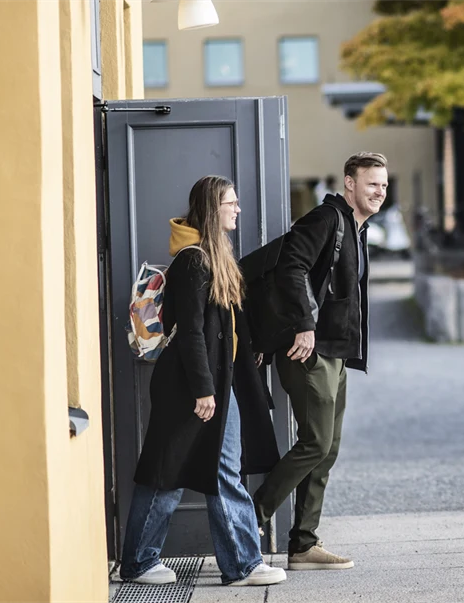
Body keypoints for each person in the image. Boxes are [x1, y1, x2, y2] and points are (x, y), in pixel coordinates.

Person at [120, 175, 285, 587]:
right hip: (191, 386)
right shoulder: (192, 261)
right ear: (214, 208)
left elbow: (223, 327)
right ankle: (138, 562)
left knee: (224, 470)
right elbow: (192, 331)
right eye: (231, 203)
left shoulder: (214, 258)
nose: (238, 209)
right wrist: (203, 389)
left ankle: (242, 563)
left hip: (215, 385)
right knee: (167, 472)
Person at [252, 152, 387, 570]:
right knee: (315, 442)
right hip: (308, 350)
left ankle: (303, 545)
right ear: (349, 183)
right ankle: (248, 519)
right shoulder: (327, 218)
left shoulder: (358, 229)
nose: (380, 192)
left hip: (334, 352)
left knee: (327, 449)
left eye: (383, 185)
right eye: (371, 184)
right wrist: (304, 325)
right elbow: (291, 265)